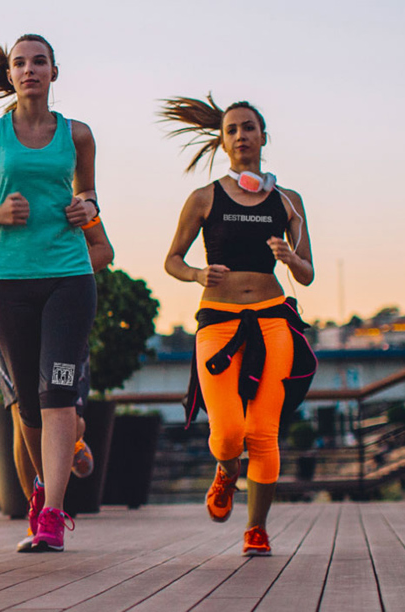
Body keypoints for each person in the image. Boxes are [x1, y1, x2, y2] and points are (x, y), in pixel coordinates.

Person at [0, 36, 100, 553]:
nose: (30, 69)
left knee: (58, 395)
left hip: (68, 277)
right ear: (9, 75)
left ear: (54, 72)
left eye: (39, 62)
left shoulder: (77, 135)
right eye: (20, 63)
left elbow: (88, 194)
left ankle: (54, 514)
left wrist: (87, 209)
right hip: (9, 281)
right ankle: (40, 491)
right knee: (29, 409)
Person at [160, 94, 315, 556]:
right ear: (223, 142)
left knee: (263, 432)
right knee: (228, 432)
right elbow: (171, 260)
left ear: (263, 137)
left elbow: (307, 273)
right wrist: (195, 274)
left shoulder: (289, 202)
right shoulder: (205, 197)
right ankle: (225, 472)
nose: (242, 136)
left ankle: (257, 528)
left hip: (272, 322)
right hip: (218, 322)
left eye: (249, 128)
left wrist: (291, 257)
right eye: (232, 130)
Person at [0, 183, 113, 551]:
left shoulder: (66, 193)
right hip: (9, 310)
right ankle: (40, 501)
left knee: (63, 407)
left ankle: (54, 504)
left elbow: (103, 249)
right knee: (23, 413)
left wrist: (60, 268)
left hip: (64, 310)